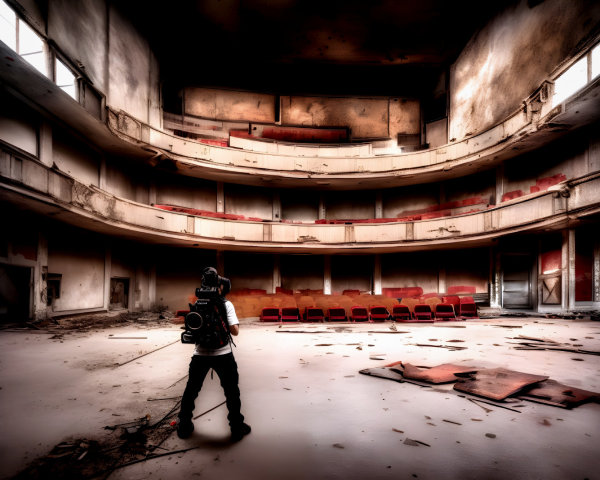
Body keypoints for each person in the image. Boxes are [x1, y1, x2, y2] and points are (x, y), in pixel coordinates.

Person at [176, 267, 251, 442]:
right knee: (232, 391)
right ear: (219, 285)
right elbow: (235, 332)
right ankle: (236, 427)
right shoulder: (226, 304)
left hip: (200, 355)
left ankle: (184, 425)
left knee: (191, 390)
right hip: (223, 354)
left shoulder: (197, 304)